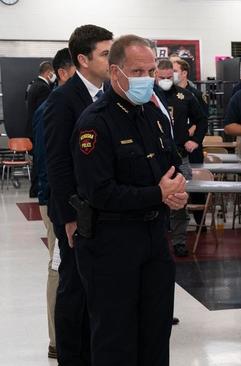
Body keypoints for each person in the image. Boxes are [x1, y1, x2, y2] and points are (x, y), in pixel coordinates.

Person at [71, 34, 187, 366]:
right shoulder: (95, 123)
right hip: (111, 245)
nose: (146, 79)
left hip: (153, 239)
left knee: (156, 333)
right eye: (137, 72)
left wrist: (175, 192)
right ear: (115, 72)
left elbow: (172, 163)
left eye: (151, 70)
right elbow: (99, 192)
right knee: (115, 340)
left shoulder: (152, 114)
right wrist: (158, 194)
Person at [43, 24, 113, 366]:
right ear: (83, 59)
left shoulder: (109, 92)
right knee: (73, 286)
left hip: (104, 210)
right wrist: (68, 217)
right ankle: (70, 357)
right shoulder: (62, 100)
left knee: (96, 289)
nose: (112, 58)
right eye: (105, 53)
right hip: (75, 213)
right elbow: (56, 164)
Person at [32, 47, 76, 360]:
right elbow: (49, 162)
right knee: (58, 266)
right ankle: (57, 339)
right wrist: (60, 208)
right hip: (57, 201)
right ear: (63, 72)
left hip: (70, 201)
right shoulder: (53, 106)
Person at [156, 58, 207, 257]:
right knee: (155, 201)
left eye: (170, 77)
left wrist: (195, 140)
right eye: (162, 77)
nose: (166, 80)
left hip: (179, 157)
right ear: (155, 75)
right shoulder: (148, 95)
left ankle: (178, 241)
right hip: (155, 157)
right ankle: (157, 241)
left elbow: (202, 119)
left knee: (179, 201)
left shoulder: (185, 96)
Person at [25, 61, 56, 197]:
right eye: (53, 73)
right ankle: (36, 190)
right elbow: (43, 112)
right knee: (39, 161)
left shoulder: (33, 85)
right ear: (48, 72)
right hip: (39, 129)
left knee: (37, 160)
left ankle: (35, 189)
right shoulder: (43, 88)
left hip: (32, 128)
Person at [172, 58, 209, 164]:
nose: (171, 74)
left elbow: (203, 119)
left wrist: (193, 138)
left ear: (184, 73)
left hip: (191, 144)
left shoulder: (196, 95)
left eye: (175, 71)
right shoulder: (168, 94)